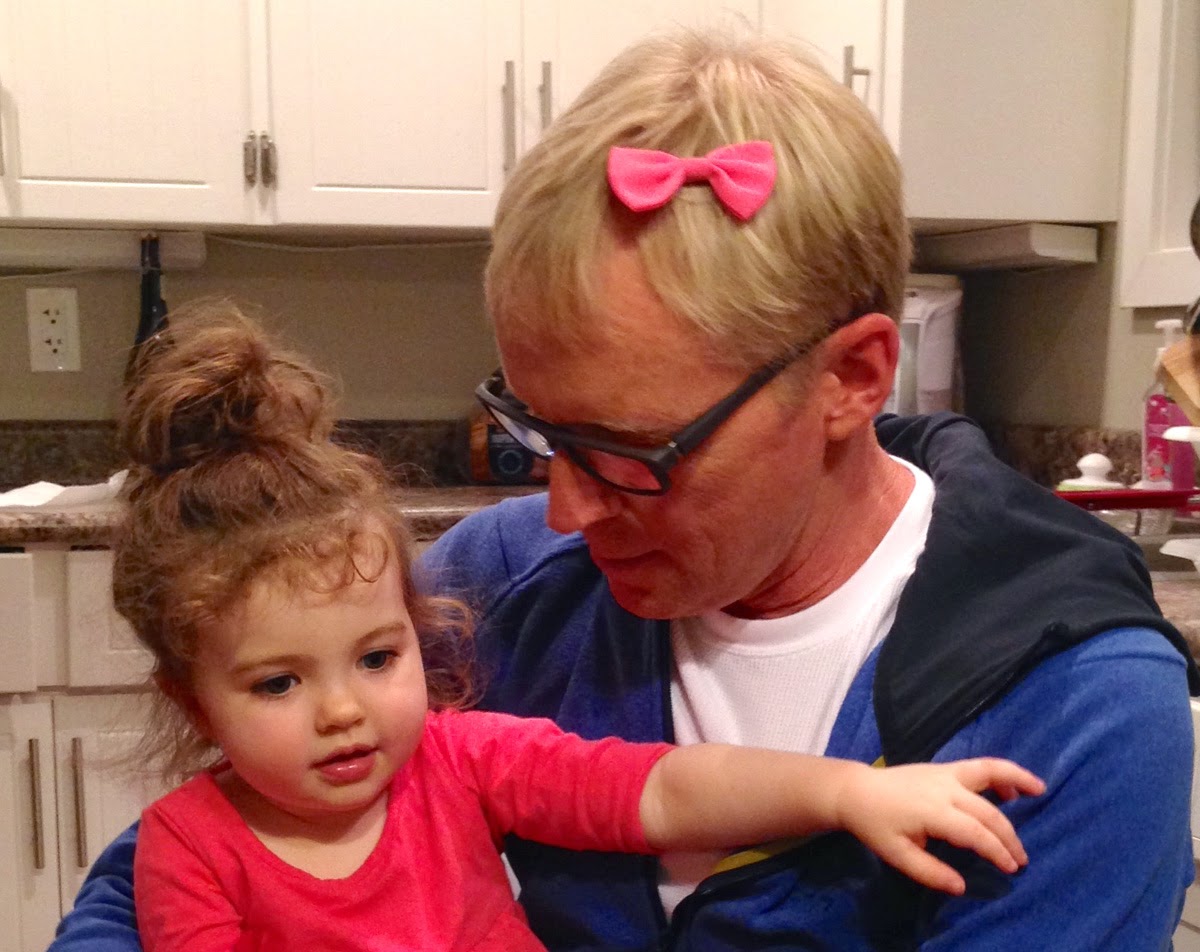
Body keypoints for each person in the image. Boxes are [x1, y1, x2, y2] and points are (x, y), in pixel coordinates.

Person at [51, 26, 1197, 952]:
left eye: (633, 451)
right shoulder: (497, 587)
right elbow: (190, 855)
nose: (562, 510)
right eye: (542, 431)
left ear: (851, 378)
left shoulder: (1078, 703)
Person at [98, 301, 1042, 951]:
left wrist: (845, 794)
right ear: (193, 701)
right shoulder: (191, 849)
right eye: (278, 682)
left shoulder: (459, 762)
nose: (343, 710)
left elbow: (663, 789)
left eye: (378, 657)